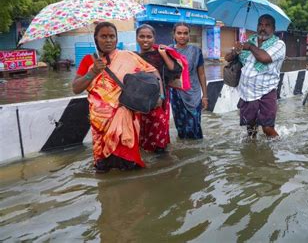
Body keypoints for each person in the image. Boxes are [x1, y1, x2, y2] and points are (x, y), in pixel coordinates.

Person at [72, 22, 161, 172]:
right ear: (96, 38)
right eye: (103, 36)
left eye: (112, 36)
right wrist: (92, 72)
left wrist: (159, 96)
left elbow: (153, 73)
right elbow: (75, 88)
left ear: (116, 38)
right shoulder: (89, 60)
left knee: (129, 163)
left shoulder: (128, 56)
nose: (108, 40)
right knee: (103, 167)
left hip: (126, 113)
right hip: (101, 122)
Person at [224, 14, 286, 139]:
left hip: (266, 91)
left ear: (273, 29)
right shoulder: (249, 41)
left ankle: (276, 151)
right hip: (247, 92)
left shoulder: (279, 44)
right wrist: (236, 50)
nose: (263, 28)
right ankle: (252, 151)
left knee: (267, 128)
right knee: (250, 128)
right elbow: (227, 58)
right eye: (260, 24)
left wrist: (250, 47)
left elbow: (264, 58)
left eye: (267, 25)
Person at [136, 24, 188, 153]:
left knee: (158, 134)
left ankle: (163, 161)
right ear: (137, 38)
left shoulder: (160, 54)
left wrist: (164, 54)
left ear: (154, 38)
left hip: (160, 99)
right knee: (142, 134)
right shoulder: (133, 57)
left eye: (149, 36)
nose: (145, 40)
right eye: (142, 36)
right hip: (140, 102)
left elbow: (176, 69)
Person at [170, 22, 208, 139]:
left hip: (193, 94)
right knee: (180, 125)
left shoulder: (196, 51)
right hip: (176, 93)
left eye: (185, 33)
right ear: (174, 34)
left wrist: (205, 96)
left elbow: (201, 74)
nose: (182, 36)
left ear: (189, 35)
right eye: (179, 33)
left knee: (194, 125)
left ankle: (197, 150)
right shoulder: (168, 51)